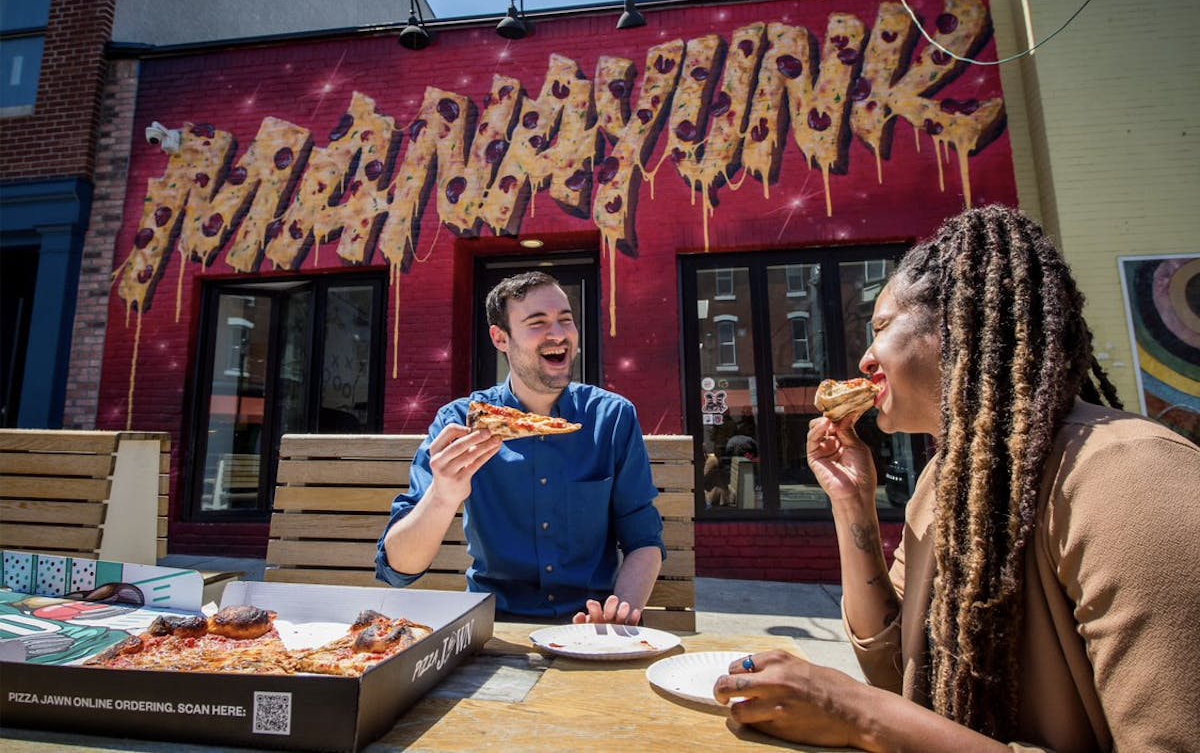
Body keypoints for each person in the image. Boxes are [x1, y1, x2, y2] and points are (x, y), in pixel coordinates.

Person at [714, 205, 1200, 751]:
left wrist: (855, 713)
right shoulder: (943, 482)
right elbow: (899, 673)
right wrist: (853, 504)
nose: (867, 359)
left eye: (881, 328)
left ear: (961, 326)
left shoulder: (1130, 475)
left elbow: (881, 709)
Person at [375, 271, 664, 624]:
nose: (558, 334)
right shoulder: (459, 425)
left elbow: (644, 540)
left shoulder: (612, 418)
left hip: (590, 630)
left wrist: (621, 613)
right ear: (500, 338)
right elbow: (398, 569)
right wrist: (443, 495)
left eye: (565, 320)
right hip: (494, 625)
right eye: (537, 322)